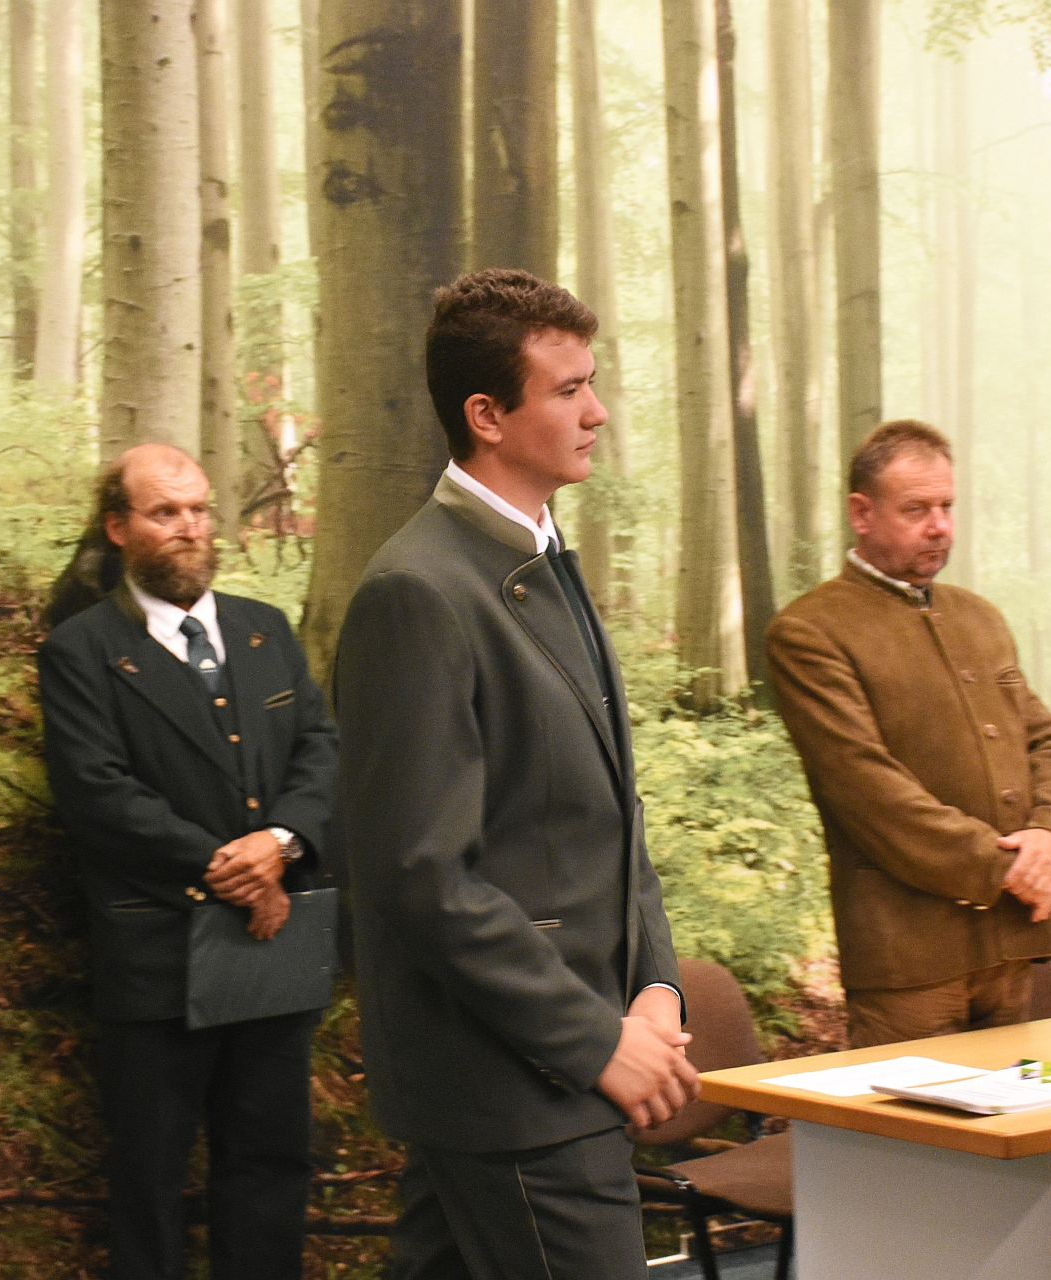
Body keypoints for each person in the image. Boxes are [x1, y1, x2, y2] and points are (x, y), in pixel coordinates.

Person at [333, 269, 695, 1280]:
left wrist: (655, 984)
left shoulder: (541, 560)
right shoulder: (417, 592)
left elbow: (607, 819)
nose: (598, 411)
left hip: (551, 1075)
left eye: (593, 383)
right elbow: (422, 876)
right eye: (569, 390)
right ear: (486, 415)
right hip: (517, 1086)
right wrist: (594, 1039)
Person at [37, 443, 339, 1280]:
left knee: (272, 1160)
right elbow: (98, 794)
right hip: (158, 953)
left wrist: (281, 844)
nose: (189, 527)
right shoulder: (81, 650)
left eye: (199, 510)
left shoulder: (265, 629)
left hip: (274, 946)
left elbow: (320, 750)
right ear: (117, 527)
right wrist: (229, 867)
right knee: (149, 1176)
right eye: (165, 512)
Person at [767, 420, 1051, 1048]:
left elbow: (1043, 741)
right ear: (862, 513)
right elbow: (867, 791)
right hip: (907, 959)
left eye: (947, 507)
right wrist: (1007, 867)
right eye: (916, 510)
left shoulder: (980, 617)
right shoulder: (809, 631)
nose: (939, 526)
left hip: (1012, 945)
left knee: (1015, 1114)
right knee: (912, 1119)